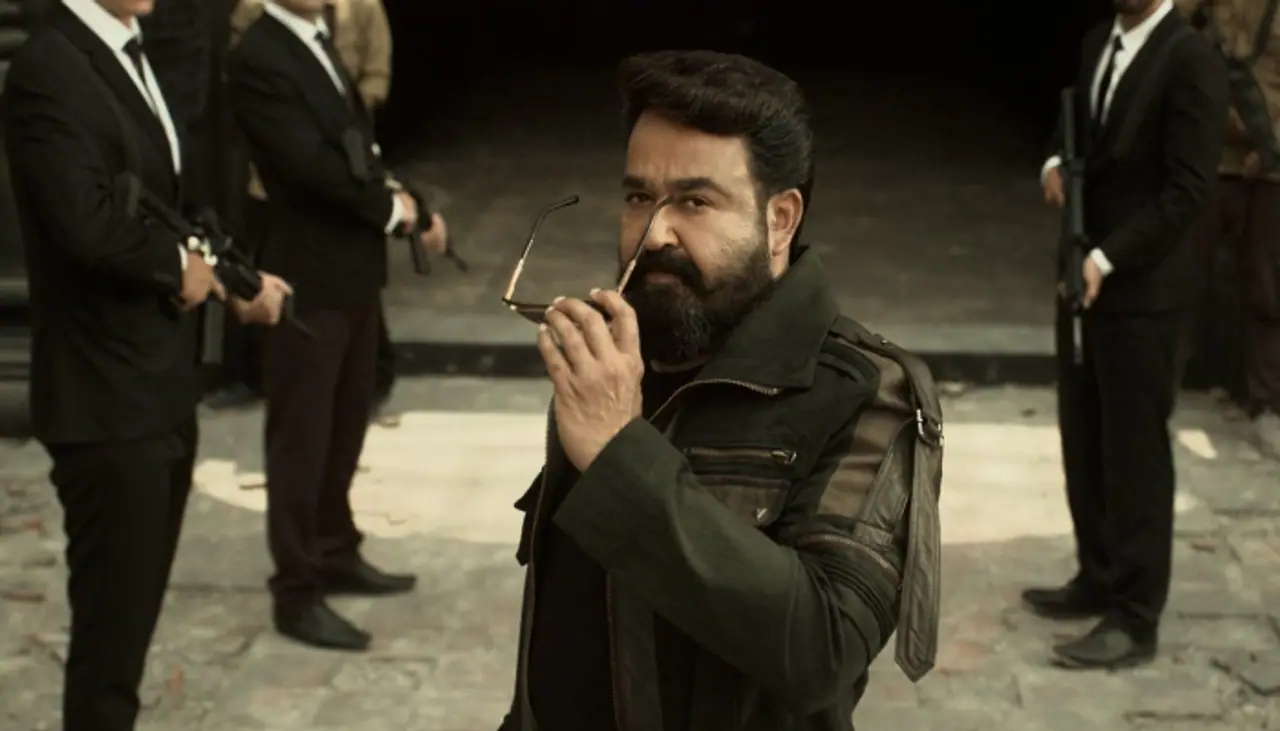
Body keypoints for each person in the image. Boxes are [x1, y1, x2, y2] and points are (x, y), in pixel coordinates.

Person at [497, 50, 943, 731]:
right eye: (639, 197)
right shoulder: (622, 361)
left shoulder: (868, 390)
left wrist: (620, 453)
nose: (656, 233)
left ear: (780, 219)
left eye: (695, 202)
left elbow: (822, 648)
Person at [2, 0, 290, 728]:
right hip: (104, 398)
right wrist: (174, 268)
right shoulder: (47, 66)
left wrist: (232, 280)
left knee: (129, 629)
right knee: (110, 643)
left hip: (158, 382)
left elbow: (160, 205)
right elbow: (83, 222)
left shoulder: (130, 46)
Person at [227, 0, 447, 651]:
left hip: (351, 271)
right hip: (305, 274)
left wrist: (410, 199)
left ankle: (335, 547)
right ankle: (296, 590)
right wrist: (396, 214)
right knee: (301, 435)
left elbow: (356, 146)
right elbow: (308, 166)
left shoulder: (318, 36)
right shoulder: (259, 55)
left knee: (348, 416)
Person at [1026, 0, 1228, 669]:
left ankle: (1135, 616)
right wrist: (1052, 161)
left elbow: (1187, 189)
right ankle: (1098, 573)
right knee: (1083, 429)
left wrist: (1109, 257)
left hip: (1143, 290)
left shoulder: (1191, 61)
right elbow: (1075, 128)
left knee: (1135, 450)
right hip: (1080, 270)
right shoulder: (1096, 42)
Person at [210, 0, 396, 412]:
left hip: (348, 172)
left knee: (354, 293)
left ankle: (373, 376)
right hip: (290, 183)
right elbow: (298, 152)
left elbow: (375, 73)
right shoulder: (259, 35)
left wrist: (353, 127)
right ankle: (249, 371)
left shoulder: (357, 11)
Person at [1180, 0, 1280, 456]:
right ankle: (1159, 388)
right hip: (1204, 154)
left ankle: (1266, 403)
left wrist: (1272, 144)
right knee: (1180, 277)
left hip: (1269, 163)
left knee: (1267, 287)